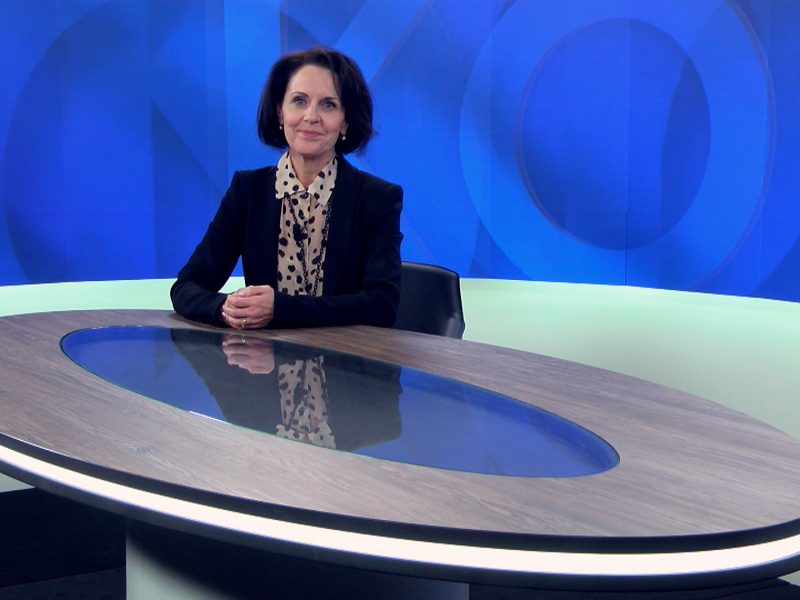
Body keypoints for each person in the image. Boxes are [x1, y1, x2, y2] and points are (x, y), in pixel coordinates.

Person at [171, 47, 403, 330]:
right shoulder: (248, 191)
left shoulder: (377, 198)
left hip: (347, 355)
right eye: (299, 101)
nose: (311, 116)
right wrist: (225, 308)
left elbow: (382, 306)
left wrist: (280, 309)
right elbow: (187, 286)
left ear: (345, 122)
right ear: (280, 112)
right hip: (262, 357)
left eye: (328, 105)